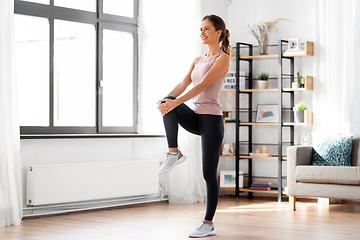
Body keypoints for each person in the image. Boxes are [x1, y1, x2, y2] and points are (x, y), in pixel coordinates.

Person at [157, 14, 230, 238]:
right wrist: (166, 101)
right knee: (167, 100)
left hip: (211, 120)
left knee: (208, 173)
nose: (203, 33)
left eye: (207, 29)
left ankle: (208, 223)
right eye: (201, 29)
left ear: (219, 32)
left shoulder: (223, 58)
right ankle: (174, 152)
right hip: (195, 116)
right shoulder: (197, 60)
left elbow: (203, 86)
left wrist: (174, 103)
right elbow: (183, 84)